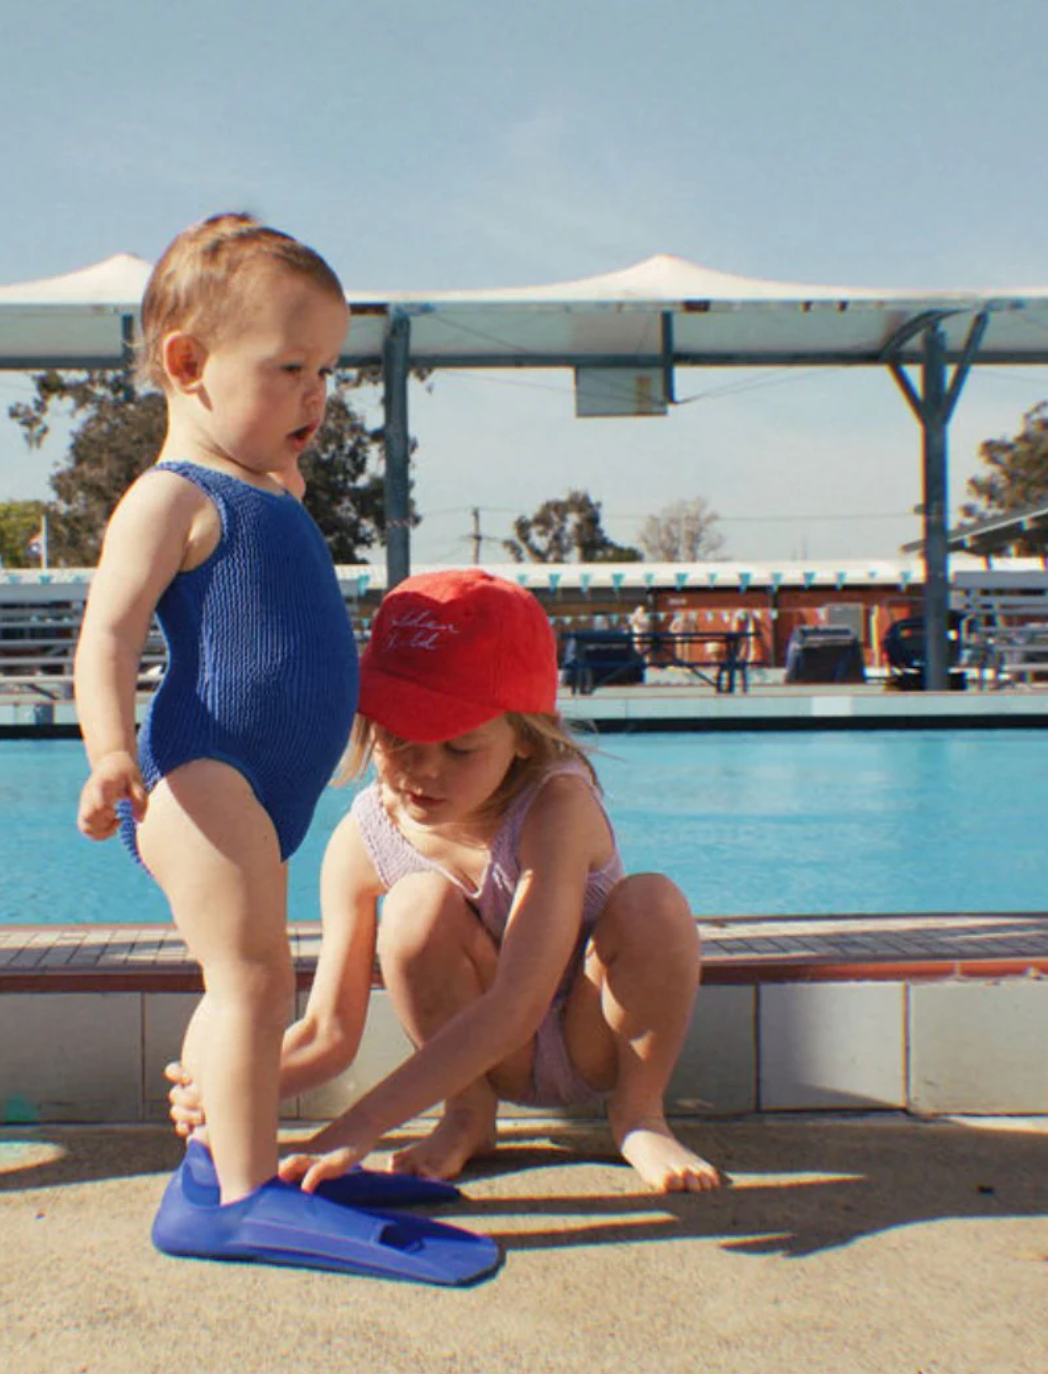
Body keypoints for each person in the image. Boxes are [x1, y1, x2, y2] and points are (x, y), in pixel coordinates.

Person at [172, 569, 721, 1196]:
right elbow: (327, 1035)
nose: (423, 771)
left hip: (591, 1040)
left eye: (460, 748)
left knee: (655, 902)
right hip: (490, 1066)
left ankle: (640, 1115)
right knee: (413, 907)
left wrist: (363, 1125)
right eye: (398, 738)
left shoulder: (555, 808)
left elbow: (517, 1005)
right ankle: (468, 1114)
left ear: (522, 737)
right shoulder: (363, 841)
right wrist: (226, 1088)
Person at [73, 214, 360, 1214]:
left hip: (262, 784)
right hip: (200, 775)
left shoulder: (274, 488)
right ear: (188, 363)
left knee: (241, 978)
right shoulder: (171, 497)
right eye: (288, 368)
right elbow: (107, 636)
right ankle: (242, 1195)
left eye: (326, 370)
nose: (315, 395)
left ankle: (215, 1163)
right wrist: (110, 753)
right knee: (253, 978)